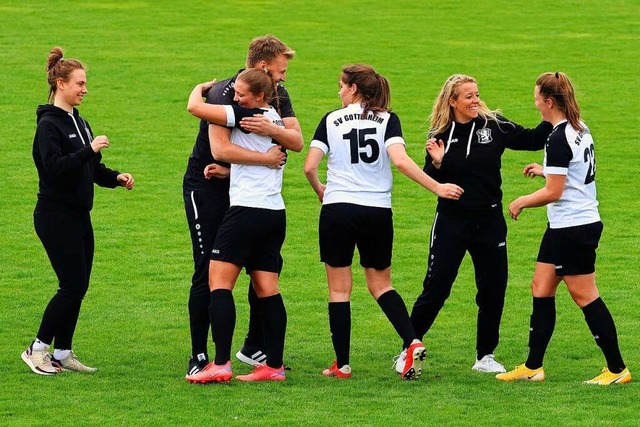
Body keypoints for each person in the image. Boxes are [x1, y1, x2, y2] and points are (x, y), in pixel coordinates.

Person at [304, 64, 464, 380]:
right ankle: (412, 340)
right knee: (381, 285)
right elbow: (401, 161)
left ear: (353, 89)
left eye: (341, 86)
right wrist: (437, 187)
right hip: (376, 210)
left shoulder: (331, 120)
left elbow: (310, 167)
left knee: (339, 290)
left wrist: (322, 189)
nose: (338, 92)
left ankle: (342, 364)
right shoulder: (387, 119)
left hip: (338, 209)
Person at [394, 74, 553, 375]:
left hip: (489, 221)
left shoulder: (494, 125)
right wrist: (438, 163)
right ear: (452, 101)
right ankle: (409, 348)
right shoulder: (440, 132)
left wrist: (554, 112)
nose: (476, 100)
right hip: (452, 221)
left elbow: (532, 139)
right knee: (436, 288)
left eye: (477, 94)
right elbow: (433, 178)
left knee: (493, 289)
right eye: (468, 96)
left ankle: (486, 355)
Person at [497, 72, 631, 385]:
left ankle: (616, 369)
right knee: (541, 287)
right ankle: (533, 367)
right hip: (564, 226)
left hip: (574, 227)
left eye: (536, 99)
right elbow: (574, 172)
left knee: (585, 295)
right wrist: (546, 170)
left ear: (549, 101)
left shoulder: (557, 138)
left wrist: (521, 202)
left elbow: (554, 193)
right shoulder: (579, 127)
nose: (535, 105)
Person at [182, 35, 300, 377]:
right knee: (212, 272)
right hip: (211, 189)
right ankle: (200, 355)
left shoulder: (266, 97)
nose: (284, 77)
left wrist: (266, 146)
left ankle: (239, 356)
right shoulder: (227, 94)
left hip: (245, 200)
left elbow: (295, 140)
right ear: (263, 67)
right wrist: (265, 157)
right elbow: (220, 151)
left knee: (238, 278)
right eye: (281, 70)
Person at [21, 47, 135, 376]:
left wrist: (115, 178)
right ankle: (37, 348)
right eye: (79, 84)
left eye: (85, 84)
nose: (85, 89)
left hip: (79, 216)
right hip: (55, 217)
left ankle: (62, 352)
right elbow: (56, 169)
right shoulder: (49, 127)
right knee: (71, 285)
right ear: (60, 84)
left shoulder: (80, 122)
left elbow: (91, 168)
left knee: (79, 285)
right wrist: (89, 149)